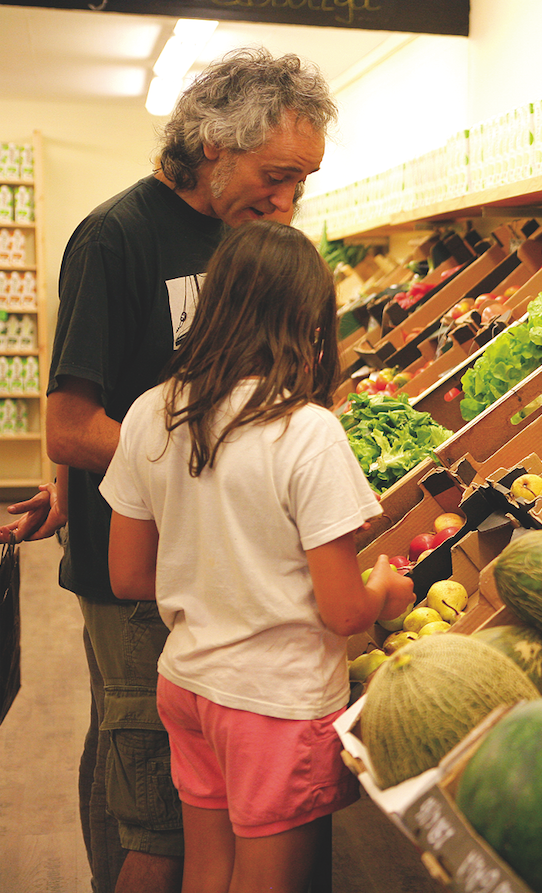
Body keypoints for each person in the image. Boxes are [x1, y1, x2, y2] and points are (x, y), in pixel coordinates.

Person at [0, 47, 338, 893]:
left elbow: (154, 391)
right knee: (153, 813)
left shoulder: (239, 236)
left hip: (188, 569)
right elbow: (72, 423)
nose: (289, 201)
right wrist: (220, 469)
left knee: (145, 774)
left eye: (303, 182)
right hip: (137, 578)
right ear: (217, 145)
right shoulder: (115, 237)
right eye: (278, 174)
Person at [98, 219, 413, 893]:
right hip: (276, 701)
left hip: (186, 683)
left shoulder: (151, 413)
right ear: (308, 321)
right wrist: (386, 590)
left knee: (208, 872)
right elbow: (343, 611)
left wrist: (220, 574)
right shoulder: (306, 431)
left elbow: (126, 574)